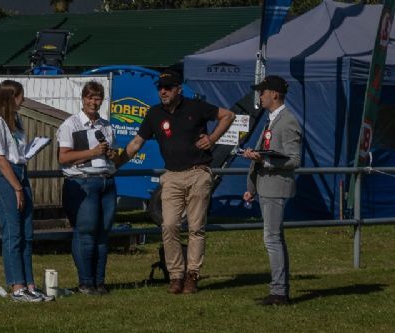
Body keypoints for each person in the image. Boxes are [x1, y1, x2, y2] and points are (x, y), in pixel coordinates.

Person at [117, 69, 235, 294]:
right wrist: (114, 166)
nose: (163, 91)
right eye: (160, 87)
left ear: (179, 89)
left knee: (196, 227)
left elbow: (228, 115)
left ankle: (192, 275)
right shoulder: (154, 114)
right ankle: (175, 275)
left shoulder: (196, 107)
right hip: (171, 176)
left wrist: (212, 138)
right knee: (169, 225)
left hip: (198, 172)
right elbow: (135, 144)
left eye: (168, 87)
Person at [0, 80, 53, 302]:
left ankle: (29, 283)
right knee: (12, 231)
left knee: (26, 232)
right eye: (21, 96)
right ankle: (17, 287)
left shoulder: (15, 121)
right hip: (2, 176)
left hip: (19, 172)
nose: (23, 101)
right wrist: (17, 187)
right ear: (11, 97)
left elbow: (15, 151)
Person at [241, 75, 302, 306]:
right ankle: (279, 289)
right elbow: (267, 153)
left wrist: (264, 161)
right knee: (274, 238)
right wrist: (252, 186)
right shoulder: (272, 120)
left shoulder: (287, 121)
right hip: (266, 186)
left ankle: (279, 291)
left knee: (272, 239)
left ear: (274, 94)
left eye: (263, 92)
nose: (260, 95)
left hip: (276, 187)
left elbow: (294, 160)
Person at [56, 81, 118, 295]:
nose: (94, 102)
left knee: (103, 234)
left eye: (98, 98)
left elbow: (114, 154)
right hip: (82, 183)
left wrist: (112, 154)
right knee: (86, 234)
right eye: (90, 97)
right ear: (83, 99)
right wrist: (91, 153)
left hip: (106, 182)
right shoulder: (70, 125)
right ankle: (85, 282)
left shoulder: (107, 126)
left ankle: (99, 282)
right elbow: (63, 157)